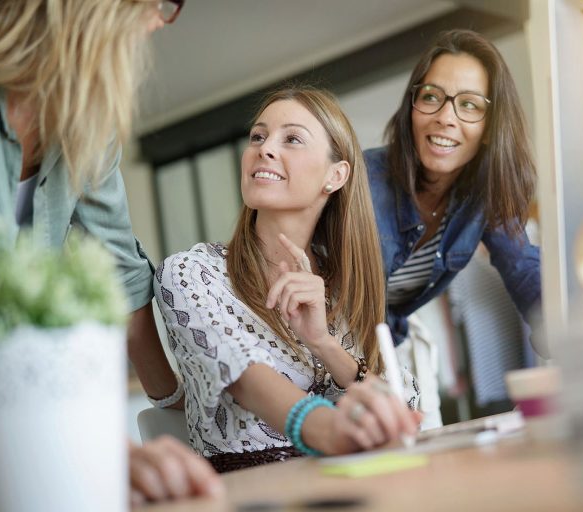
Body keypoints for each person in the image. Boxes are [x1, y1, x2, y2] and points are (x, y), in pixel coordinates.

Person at [0, 1, 220, 509]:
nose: (162, 20)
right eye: (161, 2)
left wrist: (173, 416)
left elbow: (119, 268)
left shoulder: (89, 119)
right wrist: (95, 453)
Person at [154, 87, 421, 473]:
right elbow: (243, 376)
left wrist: (324, 343)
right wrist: (329, 428)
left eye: (291, 138)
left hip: (346, 483)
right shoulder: (190, 274)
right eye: (258, 137)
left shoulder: (341, 289)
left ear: (335, 175)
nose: (264, 149)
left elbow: (407, 406)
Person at [364, 29, 541, 427]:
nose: (446, 117)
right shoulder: (361, 180)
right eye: (431, 97)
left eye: (469, 105)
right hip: (324, 361)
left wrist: (570, 334)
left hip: (383, 359)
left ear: (491, 125)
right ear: (412, 105)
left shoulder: (484, 196)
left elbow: (524, 268)